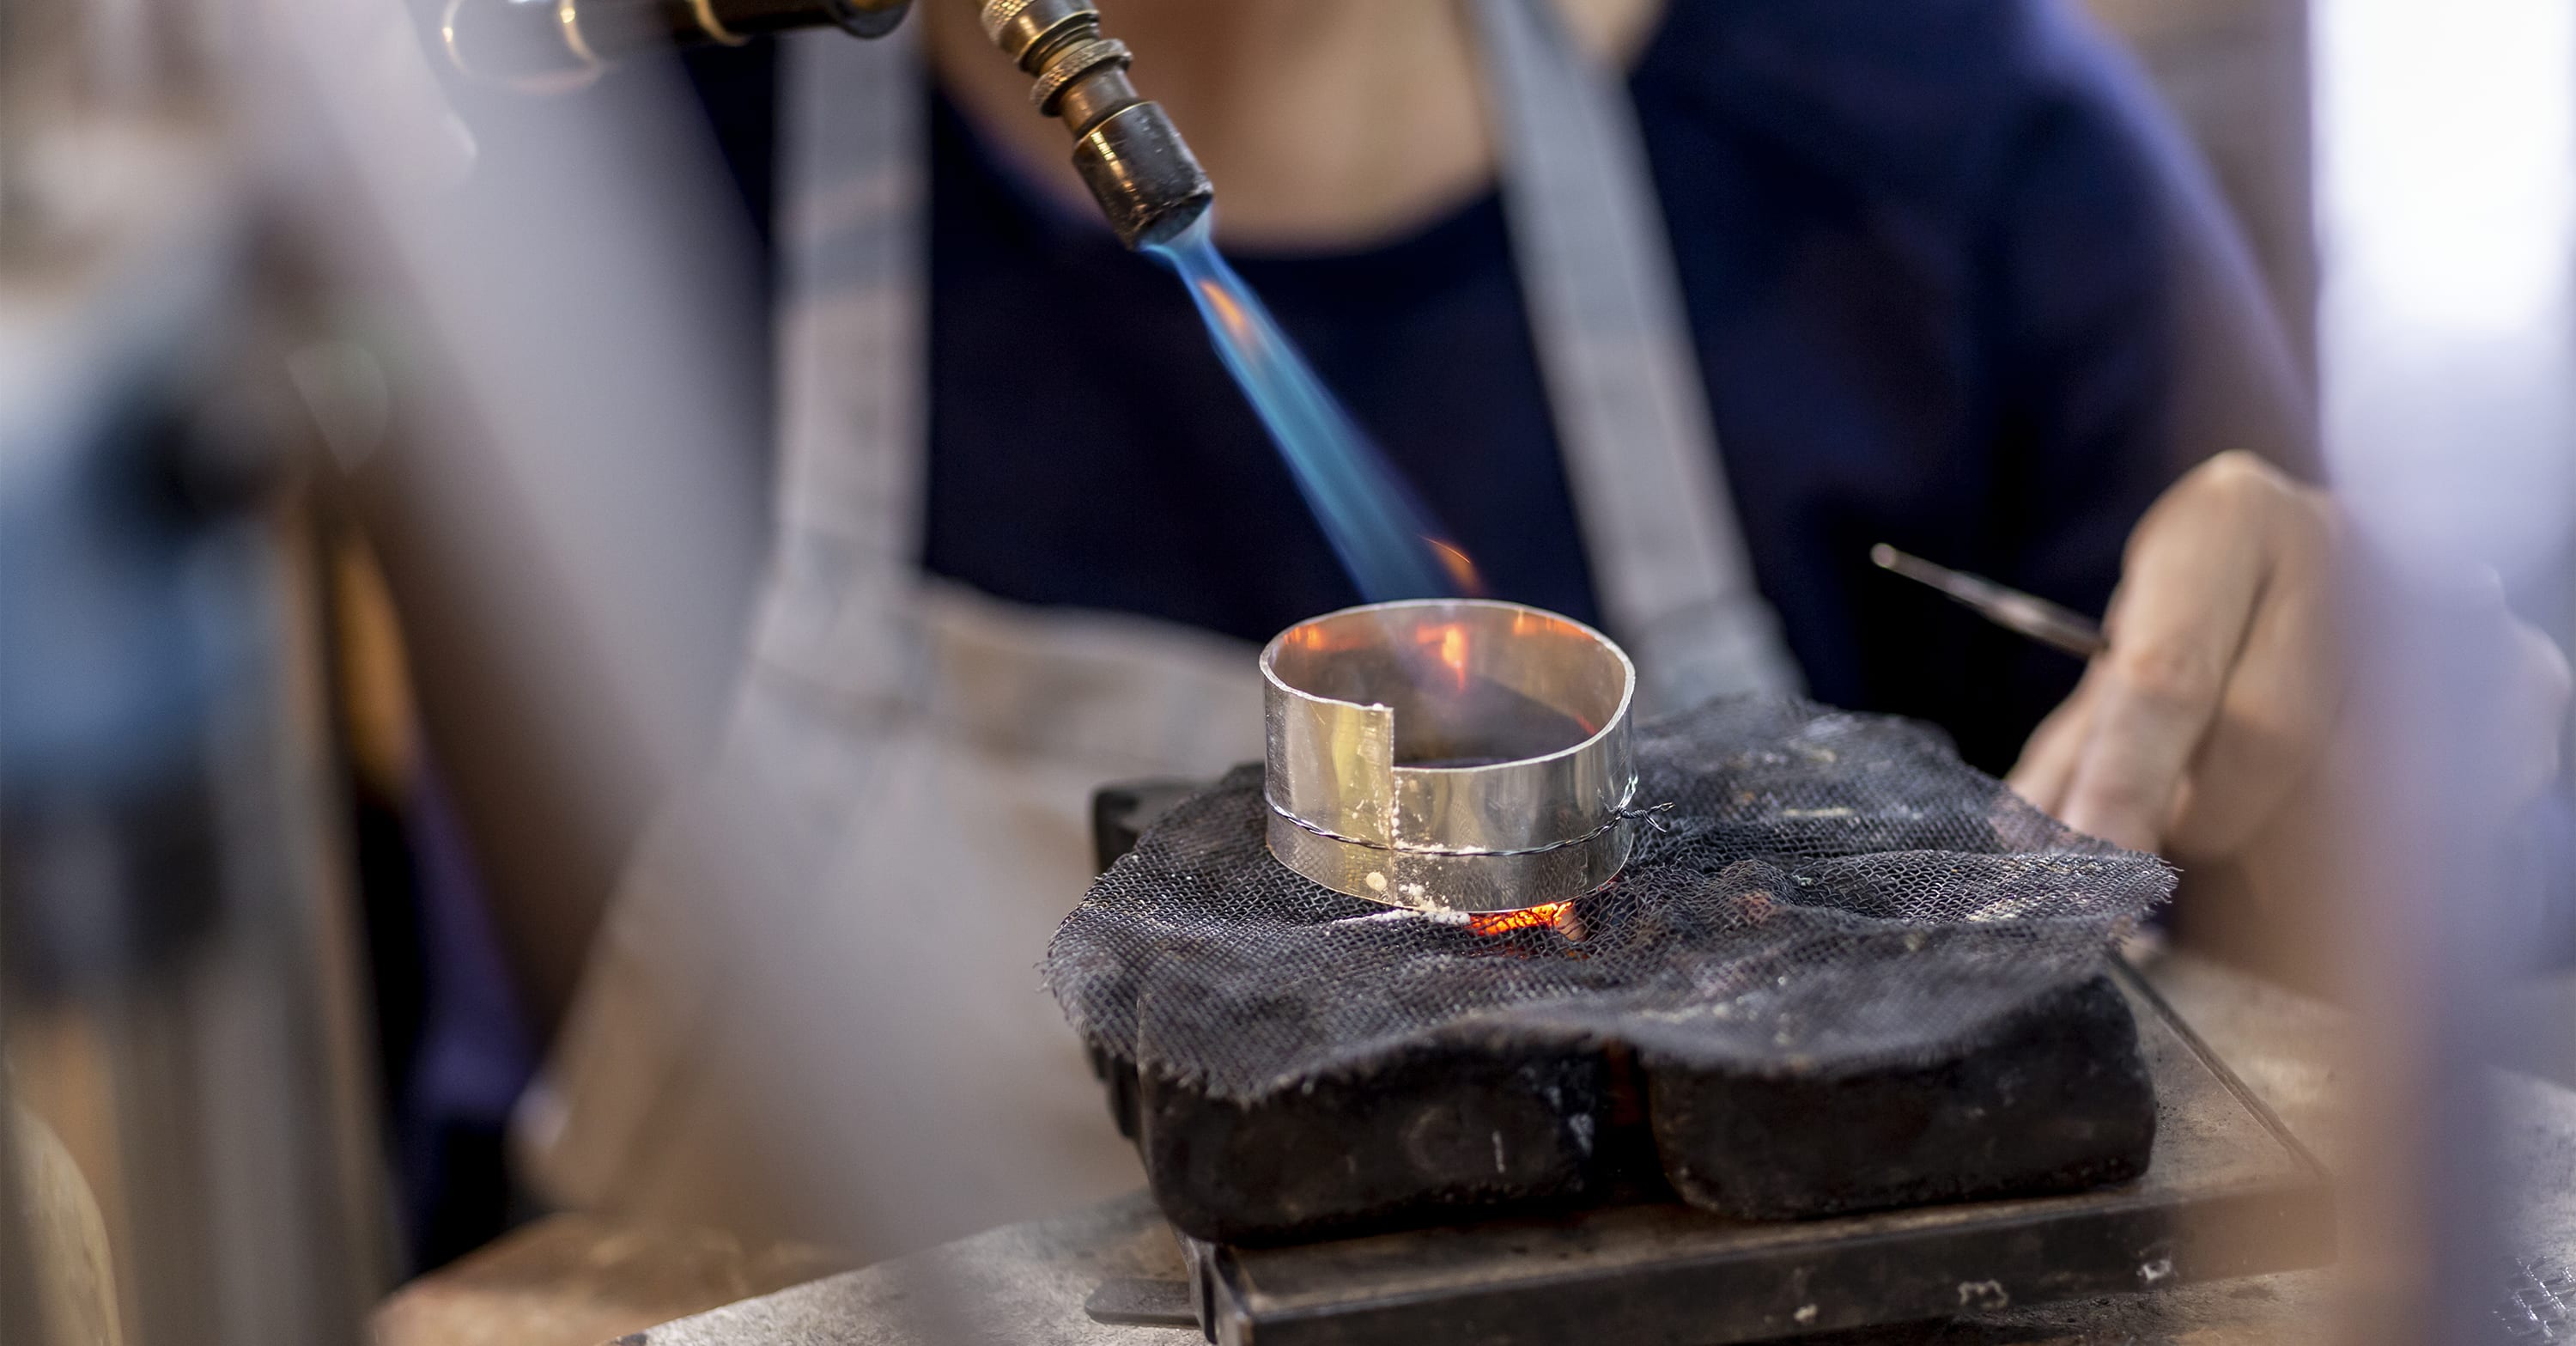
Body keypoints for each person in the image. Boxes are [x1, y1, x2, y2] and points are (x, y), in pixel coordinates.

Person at [410, 0, 2565, 1253]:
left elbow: (2341, 1087)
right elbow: (506, 1125)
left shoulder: (1955, 163)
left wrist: (2409, 780)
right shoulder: (579, 155)